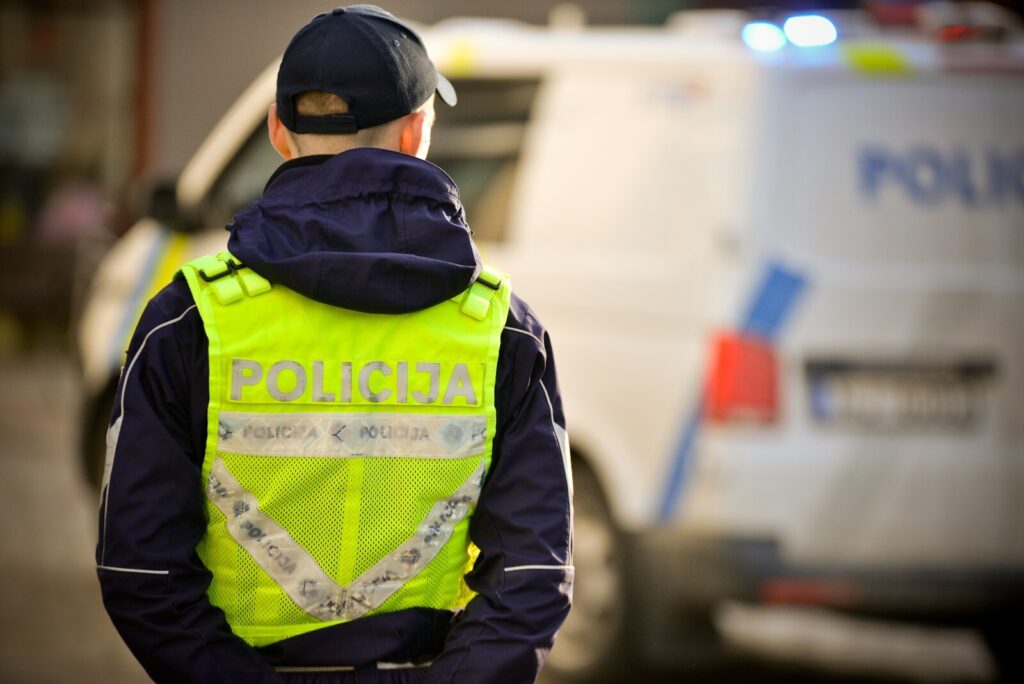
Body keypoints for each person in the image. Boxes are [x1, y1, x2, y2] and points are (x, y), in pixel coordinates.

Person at [96, 6, 573, 683]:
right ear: (416, 132)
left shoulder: (188, 321)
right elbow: (532, 574)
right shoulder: (504, 332)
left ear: (277, 131)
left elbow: (140, 571)